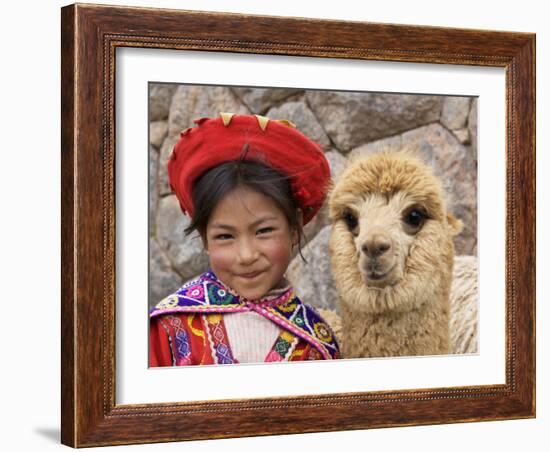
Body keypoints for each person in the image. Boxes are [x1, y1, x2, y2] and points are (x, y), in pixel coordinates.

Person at [149, 112, 340, 366]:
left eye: (263, 231)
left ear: (294, 228)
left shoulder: (316, 345)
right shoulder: (168, 329)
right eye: (225, 236)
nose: (247, 255)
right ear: (205, 239)